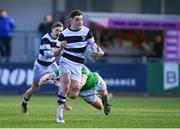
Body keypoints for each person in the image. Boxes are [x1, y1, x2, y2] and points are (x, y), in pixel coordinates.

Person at [55, 9, 104, 123]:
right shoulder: (64, 34)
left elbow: (94, 45)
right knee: (66, 85)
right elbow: (54, 52)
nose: (80, 22)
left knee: (73, 94)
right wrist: (61, 47)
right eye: (77, 19)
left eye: (81, 19)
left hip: (78, 65)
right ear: (71, 20)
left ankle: (62, 85)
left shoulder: (87, 32)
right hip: (65, 61)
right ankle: (59, 115)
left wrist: (100, 52)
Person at [20, 22, 66, 114]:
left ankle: (62, 102)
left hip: (52, 65)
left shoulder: (61, 39)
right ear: (52, 29)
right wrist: (60, 49)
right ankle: (24, 103)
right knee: (35, 88)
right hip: (40, 66)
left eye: (61, 31)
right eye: (57, 30)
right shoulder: (46, 38)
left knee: (64, 81)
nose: (58, 33)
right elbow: (47, 55)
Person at [39, 66, 111, 116]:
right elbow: (49, 75)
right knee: (100, 107)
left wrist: (79, 86)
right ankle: (63, 103)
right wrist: (42, 80)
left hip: (95, 81)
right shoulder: (64, 70)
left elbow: (84, 78)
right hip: (85, 92)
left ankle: (107, 102)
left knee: (104, 94)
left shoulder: (80, 66)